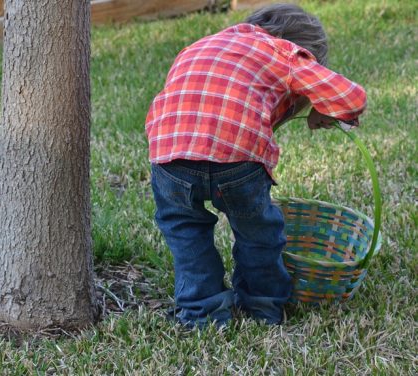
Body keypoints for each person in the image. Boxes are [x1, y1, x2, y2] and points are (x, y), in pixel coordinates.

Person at [145, 3, 366, 328]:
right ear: (304, 49)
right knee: (258, 233)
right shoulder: (284, 51)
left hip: (169, 151)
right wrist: (323, 106)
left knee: (185, 233)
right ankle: (261, 308)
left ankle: (200, 313)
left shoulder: (202, 44)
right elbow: (352, 97)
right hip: (237, 158)